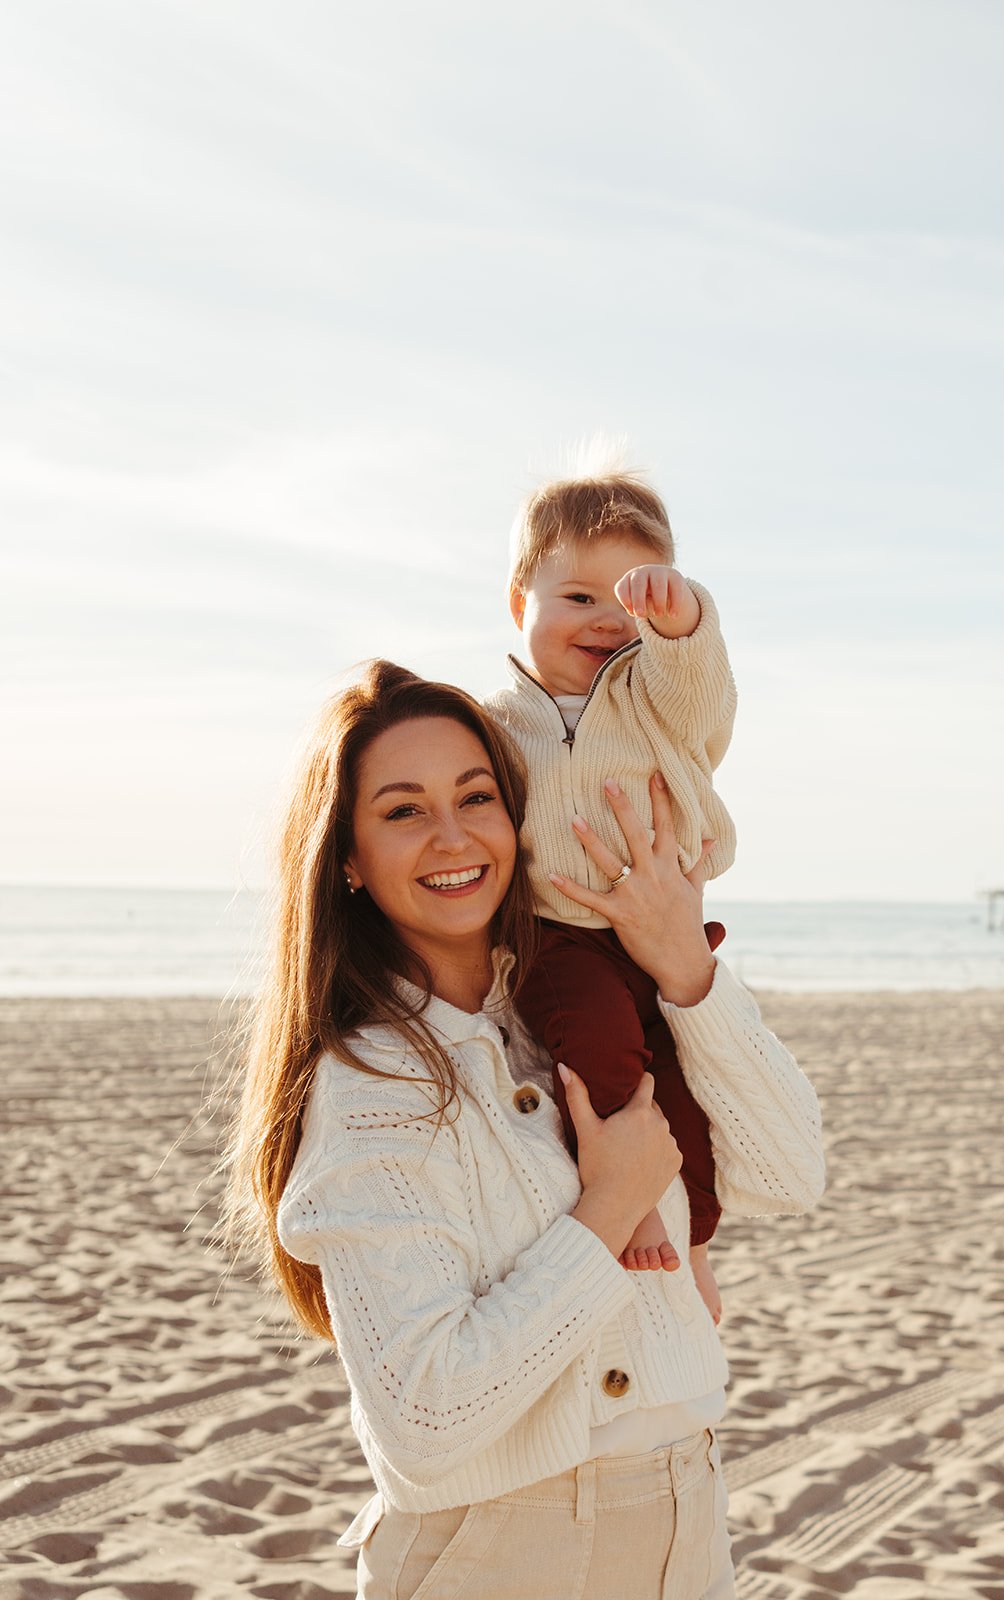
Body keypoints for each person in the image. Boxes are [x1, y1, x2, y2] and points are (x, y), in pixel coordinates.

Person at [225, 660, 824, 1600]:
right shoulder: (367, 1086)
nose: (453, 836)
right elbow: (423, 1424)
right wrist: (609, 1210)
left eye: (477, 796)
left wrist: (683, 971)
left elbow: (791, 1173)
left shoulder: (579, 1008)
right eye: (402, 811)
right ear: (345, 857)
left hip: (689, 1522)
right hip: (504, 1554)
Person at [485, 467, 736, 1296]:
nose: (604, 621)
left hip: (663, 926)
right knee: (600, 1053)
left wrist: (683, 619)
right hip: (561, 931)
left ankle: (696, 1245)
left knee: (687, 1094)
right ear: (522, 606)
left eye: (627, 605)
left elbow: (702, 690)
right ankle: (631, 1207)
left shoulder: (655, 701)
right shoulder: (492, 722)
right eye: (577, 598)